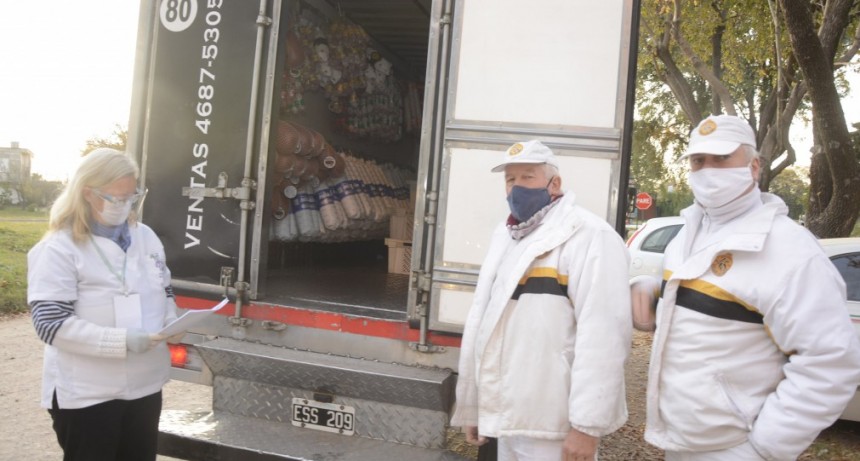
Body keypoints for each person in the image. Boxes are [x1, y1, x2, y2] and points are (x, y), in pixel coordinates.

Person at [631, 115, 860, 460]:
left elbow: (830, 362)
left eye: (721, 159)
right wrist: (653, 294)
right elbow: (711, 311)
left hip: (737, 447)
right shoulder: (687, 235)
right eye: (698, 161)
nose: (707, 170)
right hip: (681, 441)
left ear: (754, 166)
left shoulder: (791, 250)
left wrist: (766, 448)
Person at [450, 140, 632, 461]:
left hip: (555, 428)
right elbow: (486, 328)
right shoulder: (507, 236)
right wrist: (476, 407)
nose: (516, 187)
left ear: (555, 184)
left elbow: (604, 339)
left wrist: (586, 428)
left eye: (528, 177)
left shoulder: (590, 236)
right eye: (510, 179)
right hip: (510, 418)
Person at [27, 148, 182, 461]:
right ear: (87, 193)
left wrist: (172, 318)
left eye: (132, 196)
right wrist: (121, 341)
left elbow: (162, 286)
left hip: (144, 387)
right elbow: (50, 324)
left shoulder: (146, 237)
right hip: (88, 394)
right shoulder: (59, 247)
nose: (124, 205)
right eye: (115, 198)